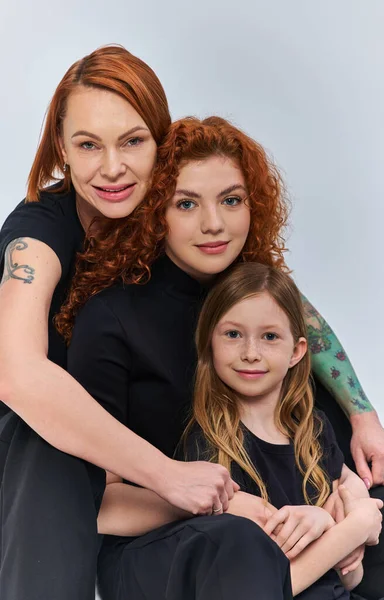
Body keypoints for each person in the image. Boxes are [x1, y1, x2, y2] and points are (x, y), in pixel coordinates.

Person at [61, 116, 384, 598]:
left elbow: (312, 403)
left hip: (292, 516)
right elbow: (98, 504)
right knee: (239, 543)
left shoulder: (256, 289)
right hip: (171, 543)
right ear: (156, 211)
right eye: (186, 203)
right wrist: (218, 505)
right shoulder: (111, 320)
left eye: (231, 200)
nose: (213, 224)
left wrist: (348, 489)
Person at [0, 48, 237, 600]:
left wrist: (362, 413)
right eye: (88, 145)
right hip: (48, 461)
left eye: (132, 141)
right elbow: (16, 374)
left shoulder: (174, 211)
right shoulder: (39, 232)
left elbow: (266, 291)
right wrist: (167, 476)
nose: (111, 168)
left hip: (148, 446)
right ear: (62, 148)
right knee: (45, 444)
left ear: (161, 139)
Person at [182, 260, 384, 598]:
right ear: (209, 342)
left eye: (270, 337)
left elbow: (351, 578)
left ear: (297, 351)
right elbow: (269, 587)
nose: (250, 353)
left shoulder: (313, 431)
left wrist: (346, 515)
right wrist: (354, 525)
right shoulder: (209, 450)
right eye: (233, 334)